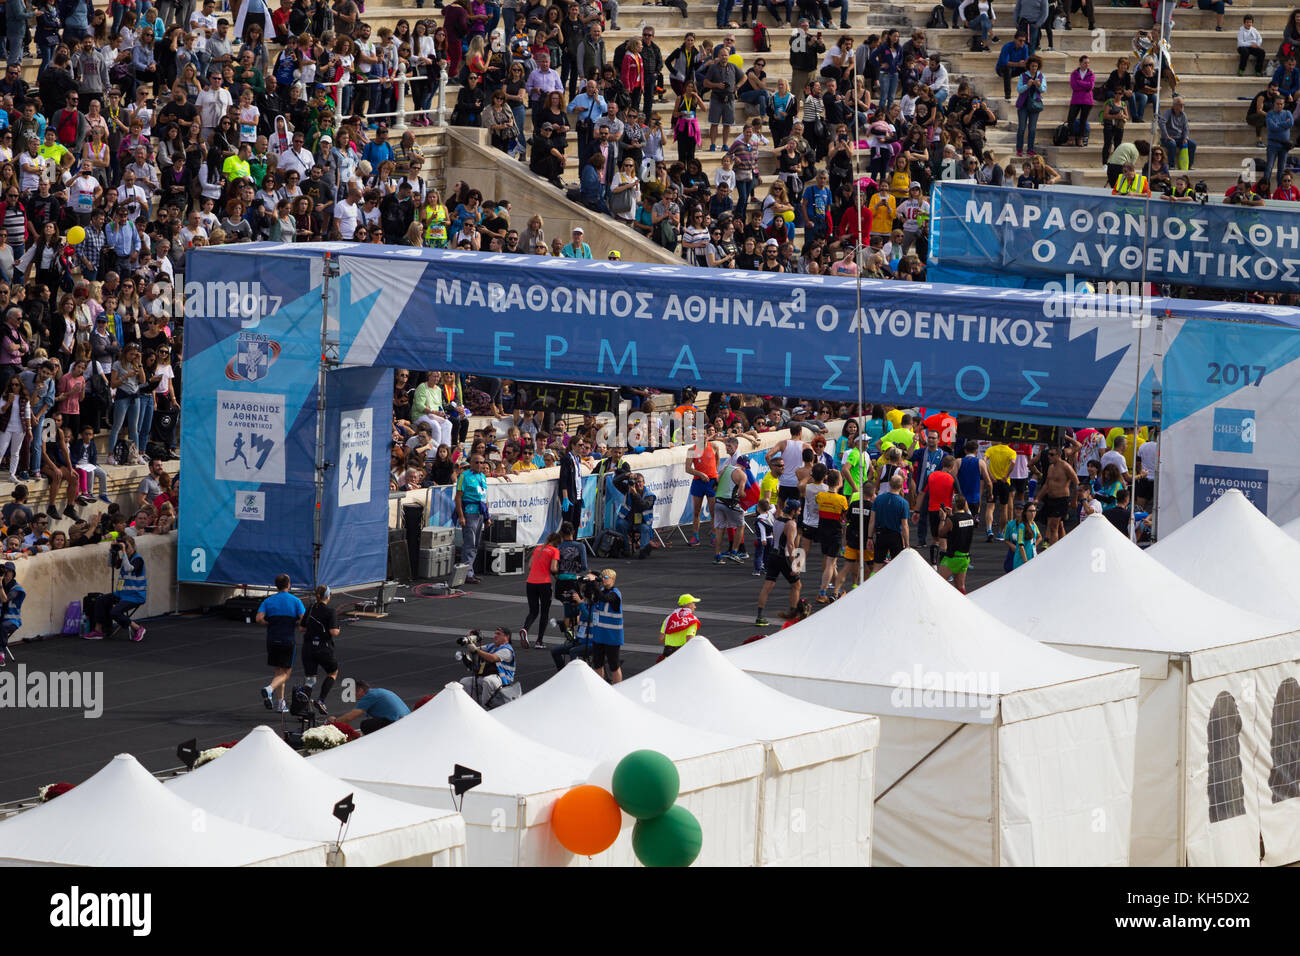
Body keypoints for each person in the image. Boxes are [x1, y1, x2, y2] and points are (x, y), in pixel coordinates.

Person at [85, 530, 148, 643]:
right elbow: (111, 564)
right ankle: (98, 630)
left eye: (127, 547)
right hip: (122, 594)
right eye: (124, 547)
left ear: (133, 546)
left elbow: (129, 568)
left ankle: (138, 628)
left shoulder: (138, 559)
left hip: (135, 596)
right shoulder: (125, 558)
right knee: (100, 600)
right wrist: (112, 550)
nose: (126, 550)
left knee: (114, 612)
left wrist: (123, 552)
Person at [254, 572, 304, 712]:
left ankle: (281, 703)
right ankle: (269, 689)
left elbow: (258, 618)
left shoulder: (268, 601)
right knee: (286, 674)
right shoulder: (295, 601)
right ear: (288, 585)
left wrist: (269, 623)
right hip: (287, 640)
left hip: (272, 639)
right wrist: (296, 623)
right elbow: (303, 619)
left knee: (278, 671)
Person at [755, 498, 803, 626]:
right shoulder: (791, 524)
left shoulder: (777, 519)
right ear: (793, 511)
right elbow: (790, 545)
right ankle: (793, 615)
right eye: (798, 510)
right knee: (797, 585)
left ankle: (759, 617)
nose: (800, 511)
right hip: (784, 557)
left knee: (767, 586)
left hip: (773, 555)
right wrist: (794, 564)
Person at [300, 584, 339, 716]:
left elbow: (302, 628)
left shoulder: (310, 608)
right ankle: (321, 699)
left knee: (310, 679)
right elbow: (333, 631)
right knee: (333, 672)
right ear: (328, 596)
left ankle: (304, 708)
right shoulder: (330, 611)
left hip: (308, 647)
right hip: (323, 648)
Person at [519, 531, 559, 648]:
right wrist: (558, 572)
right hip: (544, 584)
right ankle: (539, 641)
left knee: (533, 611)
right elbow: (553, 568)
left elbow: (530, 566)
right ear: (557, 543)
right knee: (544, 612)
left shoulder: (538, 548)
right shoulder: (554, 551)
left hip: (530, 582)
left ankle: (525, 629)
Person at [456, 450, 490, 583]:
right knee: (469, 543)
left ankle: (469, 570)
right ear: (471, 463)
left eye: (482, 462)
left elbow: (484, 497)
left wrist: (487, 517)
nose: (480, 464)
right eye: (477, 462)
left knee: (475, 544)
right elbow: (458, 497)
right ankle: (467, 573)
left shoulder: (483, 477)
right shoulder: (464, 476)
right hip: (470, 513)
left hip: (480, 513)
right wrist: (461, 516)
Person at [867, 472, 910, 575]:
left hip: (880, 534)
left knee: (877, 566)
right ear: (901, 486)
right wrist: (907, 544)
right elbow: (905, 526)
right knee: (897, 566)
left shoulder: (878, 499)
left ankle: (872, 587)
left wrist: (869, 538)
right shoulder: (903, 503)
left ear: (890, 484)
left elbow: (872, 520)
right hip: (895, 536)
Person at [1035, 445, 1077, 546]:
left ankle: (1053, 549)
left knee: (1054, 526)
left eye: (1052, 455)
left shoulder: (1065, 466)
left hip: (1061, 499)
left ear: (1059, 455)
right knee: (1058, 525)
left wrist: (1075, 500)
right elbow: (1046, 485)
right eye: (1048, 454)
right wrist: (1037, 498)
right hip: (1050, 499)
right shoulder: (1051, 467)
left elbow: (1076, 482)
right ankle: (1064, 546)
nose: (1049, 456)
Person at [334, 679, 412, 733]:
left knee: (366, 725)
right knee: (373, 722)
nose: (353, 695)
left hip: (397, 722)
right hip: (408, 719)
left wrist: (334, 722)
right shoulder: (379, 691)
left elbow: (349, 717)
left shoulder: (369, 696)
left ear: (360, 690)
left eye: (353, 692)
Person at [588, 568, 624, 683]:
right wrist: (590, 582)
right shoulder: (601, 590)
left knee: (614, 665)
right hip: (599, 635)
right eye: (602, 577)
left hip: (612, 637)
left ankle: (619, 688)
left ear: (613, 579)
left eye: (606, 577)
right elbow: (591, 596)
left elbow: (605, 599)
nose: (603, 579)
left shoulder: (615, 594)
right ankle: (600, 687)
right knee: (597, 663)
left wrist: (594, 583)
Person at [936, 494, 976, 593]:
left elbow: (941, 533)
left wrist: (942, 518)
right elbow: (959, 530)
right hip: (965, 557)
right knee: (960, 587)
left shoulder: (952, 520)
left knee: (936, 583)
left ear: (955, 504)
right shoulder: (970, 518)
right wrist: (951, 516)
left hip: (952, 558)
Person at [659, 592, 701, 657]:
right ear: (689, 605)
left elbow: (661, 638)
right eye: (694, 604)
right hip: (682, 656)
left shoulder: (669, 618)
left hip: (667, 656)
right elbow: (689, 639)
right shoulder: (692, 619)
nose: (695, 607)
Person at [1004, 500, 1041, 570]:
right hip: (1020, 556)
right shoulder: (1018, 526)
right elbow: (1020, 545)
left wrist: (1033, 546)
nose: (1033, 513)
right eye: (1030, 511)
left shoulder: (1033, 524)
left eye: (1034, 511)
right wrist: (1025, 561)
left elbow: (1039, 537)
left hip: (1031, 554)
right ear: (1026, 512)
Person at [0, 560, 23, 666]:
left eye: (9, 571)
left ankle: (1, 654)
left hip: (13, 620)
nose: (6, 573)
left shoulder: (16, 588)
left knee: (2, 627)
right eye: (5, 570)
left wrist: (0, 584)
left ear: (13, 573)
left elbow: (5, 600)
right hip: (1, 617)